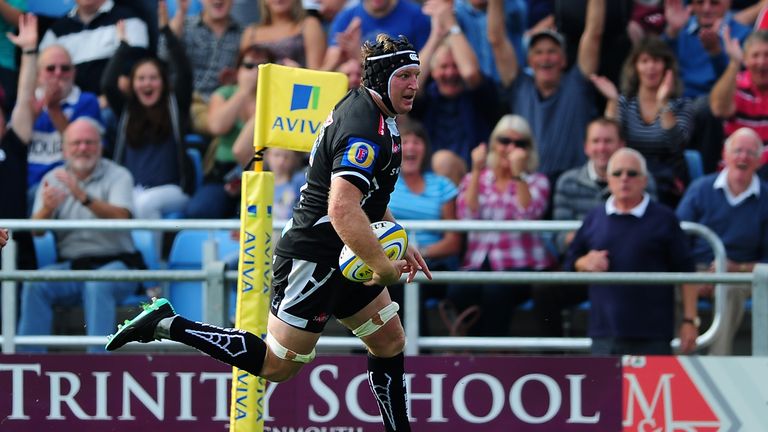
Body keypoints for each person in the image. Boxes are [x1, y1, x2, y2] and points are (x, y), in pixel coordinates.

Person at [105, 34, 431, 432]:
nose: (414, 84)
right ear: (383, 79)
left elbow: (369, 194)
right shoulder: (365, 128)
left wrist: (395, 235)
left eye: (416, 74)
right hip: (314, 258)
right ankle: (167, 323)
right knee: (278, 366)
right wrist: (382, 265)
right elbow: (342, 208)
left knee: (389, 340)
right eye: (405, 76)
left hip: (349, 252)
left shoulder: (380, 116)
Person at [17, 117, 144, 353]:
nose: (82, 148)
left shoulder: (119, 175)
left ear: (100, 146)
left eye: (89, 142)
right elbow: (36, 230)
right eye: (76, 143)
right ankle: (28, 364)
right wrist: (47, 208)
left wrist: (83, 196)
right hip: (74, 267)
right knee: (35, 283)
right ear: (64, 149)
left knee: (97, 283)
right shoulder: (52, 178)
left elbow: (123, 218)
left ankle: (97, 366)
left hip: (119, 265)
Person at [564, 147, 698, 355]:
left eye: (632, 173)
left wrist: (690, 320)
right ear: (608, 179)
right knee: (605, 389)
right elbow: (570, 263)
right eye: (617, 173)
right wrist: (584, 262)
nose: (624, 178)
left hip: (653, 334)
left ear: (645, 180)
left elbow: (687, 271)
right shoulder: (594, 218)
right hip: (604, 333)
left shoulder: (665, 219)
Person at [447, 114, 554, 337]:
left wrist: (518, 174)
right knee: (458, 289)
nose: (511, 148)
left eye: (519, 143)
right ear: (494, 144)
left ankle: (492, 352)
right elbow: (467, 216)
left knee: (496, 290)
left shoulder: (537, 181)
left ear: (529, 149)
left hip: (522, 263)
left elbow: (528, 216)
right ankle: (476, 347)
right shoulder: (476, 178)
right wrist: (476, 170)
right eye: (505, 141)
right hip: (478, 262)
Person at [488, 0, 604, 188]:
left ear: (564, 60)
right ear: (530, 61)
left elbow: (594, 33)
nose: (545, 58)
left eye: (552, 51)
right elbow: (496, 39)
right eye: (538, 52)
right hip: (529, 185)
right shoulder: (519, 86)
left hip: (574, 185)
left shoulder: (578, 84)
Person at [676, 127, 768, 355]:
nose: (743, 157)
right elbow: (677, 239)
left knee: (727, 289)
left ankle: (719, 364)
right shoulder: (700, 189)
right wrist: (694, 276)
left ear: (759, 161)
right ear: (725, 156)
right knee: (668, 286)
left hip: (741, 274)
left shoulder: (766, 199)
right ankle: (678, 364)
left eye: (750, 153)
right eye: (737, 151)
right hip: (696, 268)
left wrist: (736, 268)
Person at [102, 18, 194, 220]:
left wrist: (166, 31)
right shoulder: (127, 111)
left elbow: (185, 73)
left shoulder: (175, 107)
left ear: (163, 82)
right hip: (134, 190)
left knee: (145, 203)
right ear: (133, 84)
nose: (147, 83)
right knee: (121, 202)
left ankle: (150, 254)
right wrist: (123, 48)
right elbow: (108, 84)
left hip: (172, 191)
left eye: (153, 78)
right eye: (141, 78)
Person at [592, 36, 693, 208]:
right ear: (635, 67)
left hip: (666, 184)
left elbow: (677, 145)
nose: (650, 67)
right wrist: (612, 101)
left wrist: (663, 103)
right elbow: (611, 140)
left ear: (667, 68)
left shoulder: (682, 105)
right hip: (627, 175)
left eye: (656, 61)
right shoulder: (625, 102)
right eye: (644, 61)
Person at [410, 0, 499, 181]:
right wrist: (436, 35)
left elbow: (470, 72)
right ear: (433, 72)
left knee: (444, 162)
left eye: (455, 66)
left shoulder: (479, 95)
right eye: (444, 67)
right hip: (427, 183)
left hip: (472, 178)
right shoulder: (427, 98)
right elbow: (411, 79)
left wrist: (451, 25)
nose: (450, 73)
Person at [388, 119, 462, 335]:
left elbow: (453, 241)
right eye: (406, 141)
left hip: (433, 264)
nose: (410, 147)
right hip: (390, 259)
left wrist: (419, 256)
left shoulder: (442, 185)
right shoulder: (383, 182)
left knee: (410, 281)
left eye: (417, 142)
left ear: (425, 149)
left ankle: (418, 356)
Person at [185, 44, 275, 219]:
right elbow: (217, 126)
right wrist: (244, 91)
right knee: (199, 210)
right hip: (225, 174)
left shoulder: (277, 100)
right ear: (238, 70)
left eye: (261, 67)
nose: (254, 72)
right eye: (248, 66)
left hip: (263, 173)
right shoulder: (224, 93)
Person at [27, 44, 102, 199]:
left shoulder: (86, 101)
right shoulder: (26, 102)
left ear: (74, 73)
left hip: (68, 185)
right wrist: (32, 115)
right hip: (26, 185)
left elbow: (81, 143)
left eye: (65, 68)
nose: (58, 73)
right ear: (38, 74)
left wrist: (54, 109)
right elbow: (13, 146)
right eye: (50, 68)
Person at [38, 0, 150, 97]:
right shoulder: (56, 31)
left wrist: (105, 101)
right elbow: (39, 77)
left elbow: (135, 72)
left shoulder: (129, 20)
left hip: (111, 106)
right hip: (68, 108)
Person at [164, 0, 243, 136]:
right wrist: (180, 15)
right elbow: (162, 57)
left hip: (225, 101)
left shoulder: (242, 33)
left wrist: (235, 76)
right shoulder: (185, 25)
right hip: (192, 101)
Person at [710, 29, 768, 169]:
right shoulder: (736, 84)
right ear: (745, 59)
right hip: (737, 168)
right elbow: (718, 108)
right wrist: (734, 64)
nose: (762, 62)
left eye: (767, 55)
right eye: (755, 55)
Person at [321, 0, 431, 71]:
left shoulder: (416, 16)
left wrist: (359, 56)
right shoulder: (345, 19)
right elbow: (329, 70)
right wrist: (340, 57)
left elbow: (421, 77)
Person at [239, 0, 326, 69]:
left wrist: (298, 73)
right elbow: (240, 72)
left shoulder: (309, 25)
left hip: (295, 88)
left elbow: (317, 75)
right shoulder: (251, 33)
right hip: (256, 89)